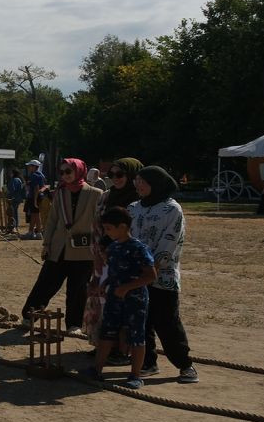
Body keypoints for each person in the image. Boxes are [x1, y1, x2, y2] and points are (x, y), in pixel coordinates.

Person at [129, 166, 199, 382]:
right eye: (137, 181)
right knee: (141, 322)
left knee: (166, 321)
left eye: (144, 181)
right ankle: (148, 363)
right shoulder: (133, 208)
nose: (139, 185)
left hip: (162, 277)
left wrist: (152, 269)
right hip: (134, 276)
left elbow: (169, 243)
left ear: (156, 183)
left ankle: (185, 365)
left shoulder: (172, 210)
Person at [20, 158, 102, 335]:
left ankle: (74, 324)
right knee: (46, 283)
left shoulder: (96, 193)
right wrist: (46, 243)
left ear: (79, 171)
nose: (65, 175)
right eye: (62, 172)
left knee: (78, 289)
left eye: (68, 171)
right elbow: (52, 220)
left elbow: (99, 222)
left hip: (83, 249)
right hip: (59, 247)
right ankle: (29, 315)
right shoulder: (60, 192)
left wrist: (98, 246)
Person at [86, 208, 156, 389]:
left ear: (123, 227)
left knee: (136, 336)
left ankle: (135, 375)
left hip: (135, 300)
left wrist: (126, 288)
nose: (107, 233)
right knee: (107, 332)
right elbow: (114, 271)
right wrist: (103, 283)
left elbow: (151, 276)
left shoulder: (139, 248)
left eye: (109, 228)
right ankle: (97, 369)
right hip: (114, 298)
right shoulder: (113, 247)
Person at [85, 158, 143, 348]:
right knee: (101, 301)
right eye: (112, 175)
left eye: (120, 174)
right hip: (103, 257)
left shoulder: (139, 201)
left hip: (125, 259)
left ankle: (120, 349)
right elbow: (95, 227)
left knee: (121, 304)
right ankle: (102, 345)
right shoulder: (106, 196)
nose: (115, 179)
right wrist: (97, 256)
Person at [23, 159, 47, 239]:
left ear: (34, 167)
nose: (29, 167)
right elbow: (44, 186)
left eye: (30, 166)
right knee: (34, 215)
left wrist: (35, 200)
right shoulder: (41, 175)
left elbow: (36, 188)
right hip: (38, 196)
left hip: (34, 197)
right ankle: (31, 232)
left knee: (36, 215)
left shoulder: (34, 175)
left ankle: (39, 233)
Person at [5, 168, 26, 235]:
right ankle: (15, 226)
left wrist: (10, 197)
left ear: (13, 173)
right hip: (18, 198)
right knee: (15, 213)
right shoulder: (19, 179)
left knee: (12, 213)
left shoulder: (14, 180)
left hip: (13, 199)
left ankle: (13, 226)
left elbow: (12, 189)